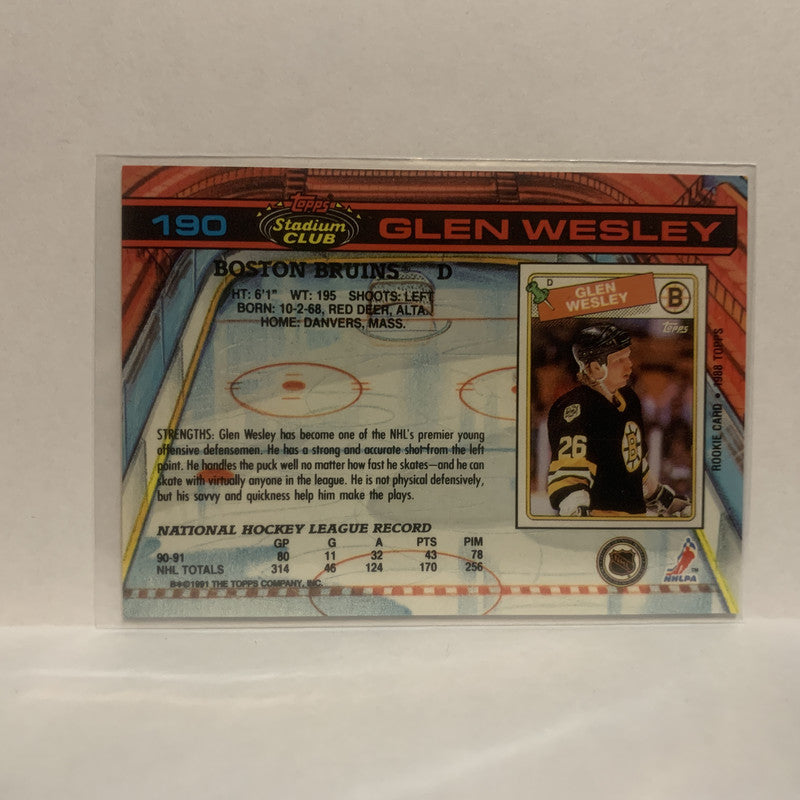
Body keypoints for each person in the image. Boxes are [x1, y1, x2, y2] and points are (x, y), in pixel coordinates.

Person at [546, 324, 689, 517]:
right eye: (619, 360)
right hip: (600, 519)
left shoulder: (629, 399)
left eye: (628, 356)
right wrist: (577, 514)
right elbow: (570, 475)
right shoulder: (576, 407)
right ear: (595, 367)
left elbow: (632, 465)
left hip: (634, 519)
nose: (629, 364)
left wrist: (662, 498)